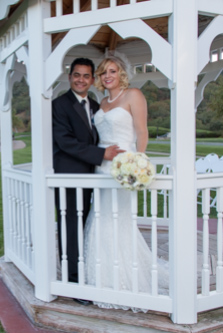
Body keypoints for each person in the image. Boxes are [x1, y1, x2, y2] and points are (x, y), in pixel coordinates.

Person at [84, 55, 169, 306]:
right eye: (102, 72)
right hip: (101, 165)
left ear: (121, 73)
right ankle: (101, 275)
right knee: (99, 217)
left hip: (124, 165)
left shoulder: (133, 95)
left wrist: (138, 163)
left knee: (119, 219)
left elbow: (142, 132)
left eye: (112, 71)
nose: (107, 75)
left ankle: (123, 278)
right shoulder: (101, 101)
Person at [52, 57, 124, 290]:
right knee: (71, 225)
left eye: (86, 76)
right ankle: (72, 280)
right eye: (76, 75)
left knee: (89, 224)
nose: (81, 80)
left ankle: (90, 268)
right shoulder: (59, 105)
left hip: (96, 175)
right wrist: (101, 154)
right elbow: (66, 142)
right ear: (69, 76)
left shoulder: (96, 105)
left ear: (92, 79)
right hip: (70, 176)